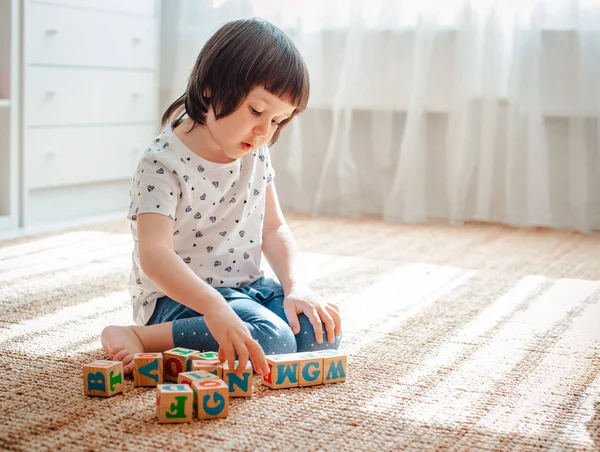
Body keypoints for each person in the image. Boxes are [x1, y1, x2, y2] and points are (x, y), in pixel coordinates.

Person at [101, 18, 342, 377]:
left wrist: (296, 287)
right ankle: (140, 335)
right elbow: (154, 256)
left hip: (247, 288)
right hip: (180, 300)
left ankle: (250, 314)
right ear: (212, 88)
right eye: (257, 111)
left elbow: (273, 230)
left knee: (317, 333)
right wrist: (214, 308)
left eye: (277, 121)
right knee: (272, 339)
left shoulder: (255, 149)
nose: (263, 131)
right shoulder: (162, 163)